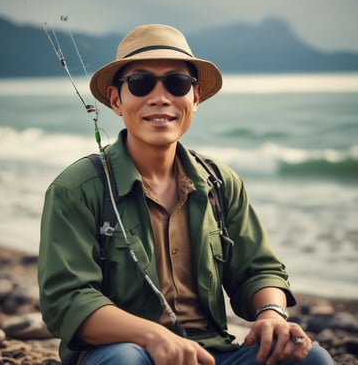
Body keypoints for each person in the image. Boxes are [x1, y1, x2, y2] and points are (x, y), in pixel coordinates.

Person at [38, 24, 335, 365]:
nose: (160, 96)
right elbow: (66, 301)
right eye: (141, 82)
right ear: (116, 100)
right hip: (123, 353)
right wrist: (153, 336)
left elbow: (259, 269)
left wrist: (271, 315)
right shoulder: (77, 188)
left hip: (212, 355)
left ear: (195, 98)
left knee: (309, 357)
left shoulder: (221, 183)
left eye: (177, 82)